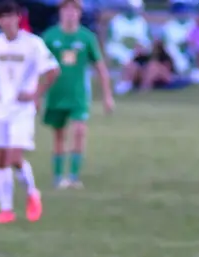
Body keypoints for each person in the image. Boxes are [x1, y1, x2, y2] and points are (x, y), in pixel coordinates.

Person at [0, 1, 59, 224]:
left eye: (11, 16)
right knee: (1, 160)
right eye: (3, 17)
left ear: (18, 18)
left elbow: (53, 70)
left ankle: (32, 193)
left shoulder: (33, 43)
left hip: (22, 110)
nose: (7, 21)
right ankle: (6, 209)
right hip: (0, 109)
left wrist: (36, 94)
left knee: (15, 157)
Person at [42, 0, 115, 189]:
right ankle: (58, 177)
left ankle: (74, 177)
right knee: (59, 135)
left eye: (74, 9)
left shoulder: (86, 37)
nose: (70, 13)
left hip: (79, 95)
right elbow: (37, 67)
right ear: (60, 12)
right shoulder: (50, 36)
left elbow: (100, 68)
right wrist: (36, 94)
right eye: (66, 9)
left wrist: (107, 96)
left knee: (79, 131)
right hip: (56, 94)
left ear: (79, 13)